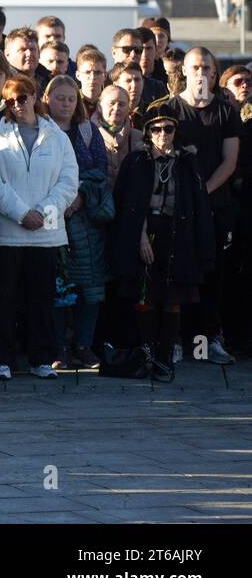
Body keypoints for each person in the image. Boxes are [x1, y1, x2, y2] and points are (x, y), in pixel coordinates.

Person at [0, 75, 79, 380]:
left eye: (22, 98)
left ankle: (42, 358)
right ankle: (2, 359)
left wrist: (44, 211)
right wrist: (22, 213)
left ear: (35, 97)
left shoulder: (58, 137)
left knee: (42, 300)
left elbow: (68, 181)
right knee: (3, 299)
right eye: (10, 100)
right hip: (6, 234)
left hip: (46, 235)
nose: (17, 105)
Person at [111, 104, 215, 376]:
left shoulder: (187, 162)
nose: (162, 134)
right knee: (143, 293)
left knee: (173, 297)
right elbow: (127, 204)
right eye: (155, 129)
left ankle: (165, 355)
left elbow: (198, 205)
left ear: (175, 131)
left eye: (168, 128)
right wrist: (140, 236)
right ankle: (146, 351)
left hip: (178, 233)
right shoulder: (135, 161)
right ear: (147, 132)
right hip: (144, 231)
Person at [154, 46, 239, 365]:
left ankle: (205, 343)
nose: (201, 73)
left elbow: (230, 161)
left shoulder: (226, 111)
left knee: (212, 275)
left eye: (207, 68)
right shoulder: (168, 110)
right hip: (177, 206)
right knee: (177, 274)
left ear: (215, 74)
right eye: (195, 67)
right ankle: (174, 340)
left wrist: (203, 192)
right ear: (184, 71)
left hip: (215, 205)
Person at [43, 74, 113, 371]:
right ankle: (57, 345)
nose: (66, 103)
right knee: (58, 285)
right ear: (47, 99)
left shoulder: (88, 131)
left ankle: (83, 345)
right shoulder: (41, 130)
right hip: (52, 217)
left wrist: (80, 196)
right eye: (60, 97)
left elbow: (101, 171)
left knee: (91, 286)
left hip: (85, 221)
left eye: (71, 98)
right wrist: (60, 200)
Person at [96, 84, 143, 189]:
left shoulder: (138, 137)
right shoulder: (88, 135)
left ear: (128, 108)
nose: (116, 108)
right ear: (99, 106)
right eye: (111, 103)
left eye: (121, 104)